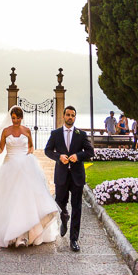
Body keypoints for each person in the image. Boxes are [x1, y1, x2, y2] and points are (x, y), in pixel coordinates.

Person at [0, 106, 60, 248]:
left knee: (26, 199)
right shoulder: (6, 131)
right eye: (13, 118)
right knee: (11, 200)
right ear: (10, 118)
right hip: (10, 166)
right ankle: (13, 235)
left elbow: (31, 147)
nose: (15, 120)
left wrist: (28, 155)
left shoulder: (27, 131)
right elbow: (0, 151)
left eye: (17, 118)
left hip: (25, 166)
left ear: (21, 118)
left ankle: (25, 235)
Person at [44, 106, 94, 252]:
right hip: (61, 175)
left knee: (77, 207)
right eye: (68, 114)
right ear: (63, 116)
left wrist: (78, 156)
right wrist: (58, 157)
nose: (70, 117)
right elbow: (47, 150)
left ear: (75, 118)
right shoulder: (56, 134)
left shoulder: (81, 134)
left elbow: (90, 152)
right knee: (59, 201)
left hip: (77, 176)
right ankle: (64, 215)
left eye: (73, 115)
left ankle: (74, 240)